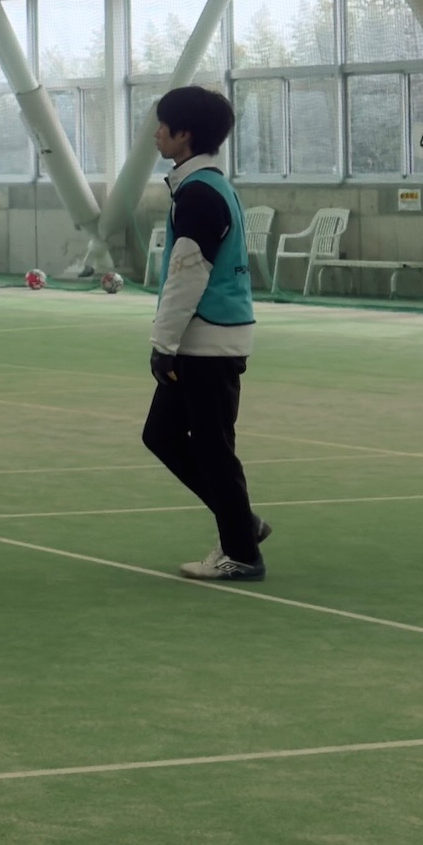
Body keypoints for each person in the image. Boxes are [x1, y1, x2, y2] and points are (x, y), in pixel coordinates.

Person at [143, 85, 268, 583]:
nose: (156, 133)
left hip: (207, 343)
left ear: (185, 134)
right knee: (162, 435)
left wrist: (163, 344)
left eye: (163, 125)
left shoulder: (198, 193)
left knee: (213, 448)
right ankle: (242, 524)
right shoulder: (206, 185)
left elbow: (187, 276)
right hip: (209, 339)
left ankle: (242, 553)